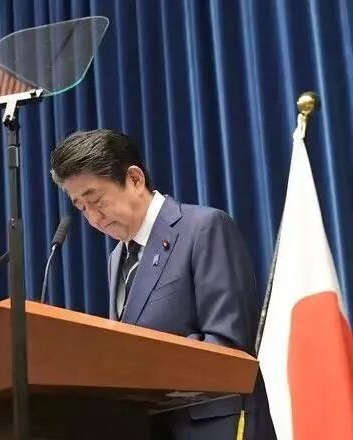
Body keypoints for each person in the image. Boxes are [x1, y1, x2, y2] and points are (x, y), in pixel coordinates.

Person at [50, 129, 276, 440]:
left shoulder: (204, 228)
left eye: (96, 200)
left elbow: (227, 347)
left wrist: (140, 369)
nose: (94, 219)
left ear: (134, 179)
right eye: (81, 208)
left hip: (215, 427)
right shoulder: (116, 259)